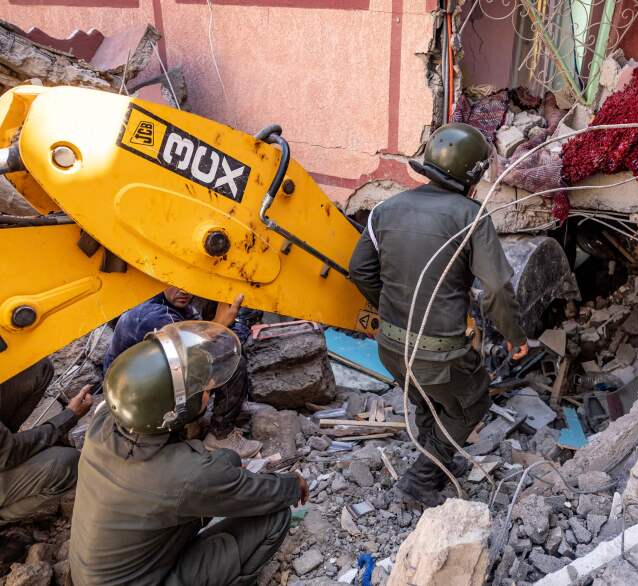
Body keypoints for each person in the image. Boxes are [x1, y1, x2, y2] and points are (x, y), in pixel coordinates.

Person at [348, 123, 528, 507]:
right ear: (473, 176)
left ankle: (440, 458)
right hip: (439, 352)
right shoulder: (471, 216)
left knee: (430, 400)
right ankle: (420, 480)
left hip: (390, 345)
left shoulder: (385, 209)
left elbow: (360, 270)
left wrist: (391, 308)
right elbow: (497, 290)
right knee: (472, 402)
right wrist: (515, 336)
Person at [70, 321, 308, 586]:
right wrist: (292, 485)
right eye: (201, 388)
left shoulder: (104, 421)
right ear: (174, 410)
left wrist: (225, 472)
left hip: (94, 576)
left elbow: (217, 467)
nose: (207, 390)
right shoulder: (186, 475)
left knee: (228, 461)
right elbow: (265, 494)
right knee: (275, 517)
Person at [103, 286, 261, 457]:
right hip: (132, 400)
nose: (184, 291)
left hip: (140, 388)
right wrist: (222, 324)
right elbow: (193, 355)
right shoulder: (154, 314)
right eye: (175, 284)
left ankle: (188, 424)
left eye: (188, 285)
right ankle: (220, 434)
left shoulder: (177, 306)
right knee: (233, 360)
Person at [0, 359, 93, 524]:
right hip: (6, 453)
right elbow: (9, 452)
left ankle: (12, 441)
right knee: (66, 463)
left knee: (37, 369)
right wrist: (69, 416)